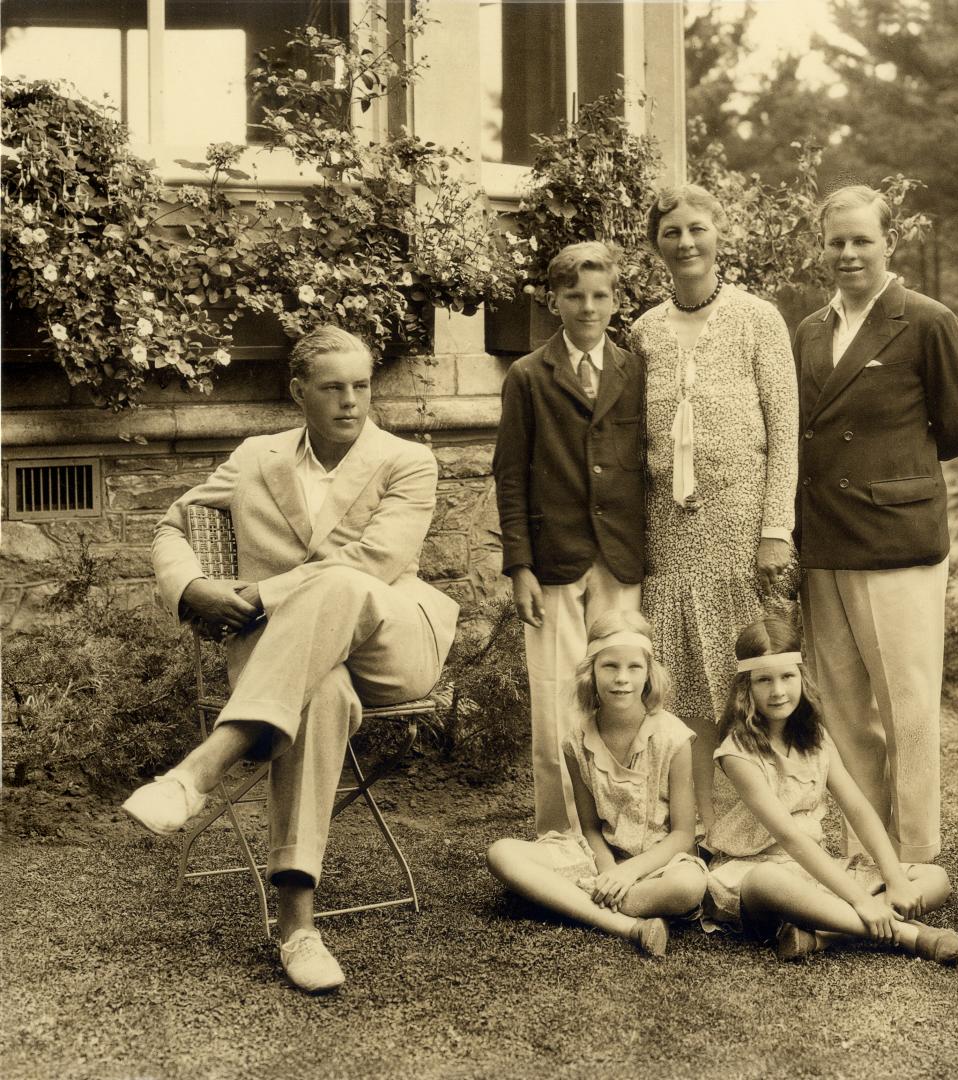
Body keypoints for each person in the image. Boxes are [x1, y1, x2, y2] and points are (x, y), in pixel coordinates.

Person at [124, 325, 459, 993]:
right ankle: (298, 929)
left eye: (362, 386)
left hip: (393, 641)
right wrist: (192, 588)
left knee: (337, 584)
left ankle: (200, 769)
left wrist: (257, 593)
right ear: (298, 391)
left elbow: (372, 565)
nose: (352, 402)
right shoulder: (255, 457)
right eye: (333, 388)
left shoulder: (407, 461)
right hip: (298, 665)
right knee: (322, 692)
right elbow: (173, 523)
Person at [792, 185, 958, 868]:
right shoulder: (811, 330)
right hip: (826, 543)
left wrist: (887, 479)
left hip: (897, 545)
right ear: (822, 248)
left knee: (908, 712)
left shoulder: (926, 321)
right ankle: (866, 857)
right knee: (842, 711)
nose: (847, 253)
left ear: (890, 243)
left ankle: (919, 859)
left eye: (861, 240)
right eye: (836, 241)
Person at [630, 184, 799, 837]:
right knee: (685, 688)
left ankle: (767, 827)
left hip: (741, 532)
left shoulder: (757, 319)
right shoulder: (645, 331)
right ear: (656, 245)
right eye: (672, 233)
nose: (686, 242)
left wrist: (775, 529)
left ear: (718, 233)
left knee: (748, 680)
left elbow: (784, 431)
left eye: (697, 229)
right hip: (670, 535)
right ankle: (692, 828)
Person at [702, 617, 958, 966]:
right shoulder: (738, 752)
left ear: (802, 677)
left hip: (818, 870)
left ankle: (822, 934)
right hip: (753, 872)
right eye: (764, 680)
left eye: (787, 676)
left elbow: (856, 806)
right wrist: (860, 899)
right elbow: (788, 835)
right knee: (766, 880)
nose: (778, 691)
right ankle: (908, 934)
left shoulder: (816, 739)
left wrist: (893, 877)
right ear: (745, 688)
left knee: (934, 877)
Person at [492, 241, 645, 837]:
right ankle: (560, 831)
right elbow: (510, 474)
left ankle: (624, 825)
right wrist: (519, 565)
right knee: (557, 697)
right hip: (554, 559)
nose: (588, 307)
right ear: (553, 301)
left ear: (615, 300)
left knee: (623, 686)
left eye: (600, 295)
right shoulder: (529, 375)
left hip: (620, 555)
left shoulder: (634, 369)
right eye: (575, 296)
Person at [485, 611, 707, 958]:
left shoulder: (673, 737)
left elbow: (682, 834)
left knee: (689, 887)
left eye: (634, 667)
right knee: (502, 853)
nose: (622, 679)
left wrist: (629, 873)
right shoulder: (577, 741)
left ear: (649, 673)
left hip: (659, 861)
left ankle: (567, 899)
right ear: (592, 671)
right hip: (598, 859)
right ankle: (630, 925)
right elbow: (589, 828)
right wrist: (608, 871)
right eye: (610, 666)